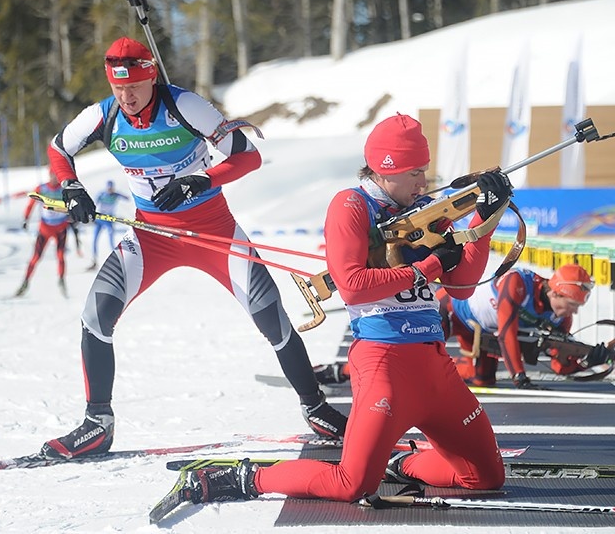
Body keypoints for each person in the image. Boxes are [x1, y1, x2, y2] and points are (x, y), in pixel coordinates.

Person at [40, 36, 347, 459]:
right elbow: (59, 148)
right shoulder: (103, 115)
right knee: (95, 316)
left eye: (133, 87)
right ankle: (98, 424)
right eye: (117, 88)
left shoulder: (185, 106)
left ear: (151, 77)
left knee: (271, 317)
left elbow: (248, 157)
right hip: (150, 235)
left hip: (213, 232)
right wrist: (71, 186)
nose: (126, 97)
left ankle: (315, 407)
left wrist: (201, 180)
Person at [183, 113, 511, 505]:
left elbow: (462, 288)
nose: (423, 182)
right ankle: (251, 479)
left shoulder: (426, 209)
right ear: (385, 170)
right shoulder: (351, 206)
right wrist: (429, 267)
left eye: (424, 171)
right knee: (351, 484)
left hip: (436, 368)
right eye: (414, 173)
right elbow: (353, 287)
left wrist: (485, 221)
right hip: (384, 364)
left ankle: (402, 465)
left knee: (486, 477)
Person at [443, 263, 611, 389]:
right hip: (450, 310)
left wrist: (585, 363)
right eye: (571, 304)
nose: (573, 312)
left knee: (483, 380)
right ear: (554, 293)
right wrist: (519, 376)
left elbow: (558, 366)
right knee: (429, 359)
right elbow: (506, 333)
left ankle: (450, 367)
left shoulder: (562, 318)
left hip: (481, 334)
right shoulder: (518, 282)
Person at [15, 168, 71, 298]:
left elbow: (71, 205)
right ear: (49, 174)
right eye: (52, 175)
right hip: (45, 229)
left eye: (56, 175)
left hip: (60, 229)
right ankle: (25, 282)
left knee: (61, 256)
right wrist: (26, 219)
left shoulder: (64, 189)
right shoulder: (42, 188)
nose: (54, 178)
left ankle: (62, 281)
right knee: (35, 257)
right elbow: (31, 204)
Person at [88, 180, 129, 270]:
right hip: (100, 219)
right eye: (108, 188)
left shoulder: (115, 194)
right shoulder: (102, 194)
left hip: (109, 219)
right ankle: (94, 261)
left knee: (111, 241)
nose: (110, 190)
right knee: (94, 240)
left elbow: (127, 198)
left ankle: (116, 261)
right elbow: (94, 204)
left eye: (111, 188)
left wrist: (118, 195)